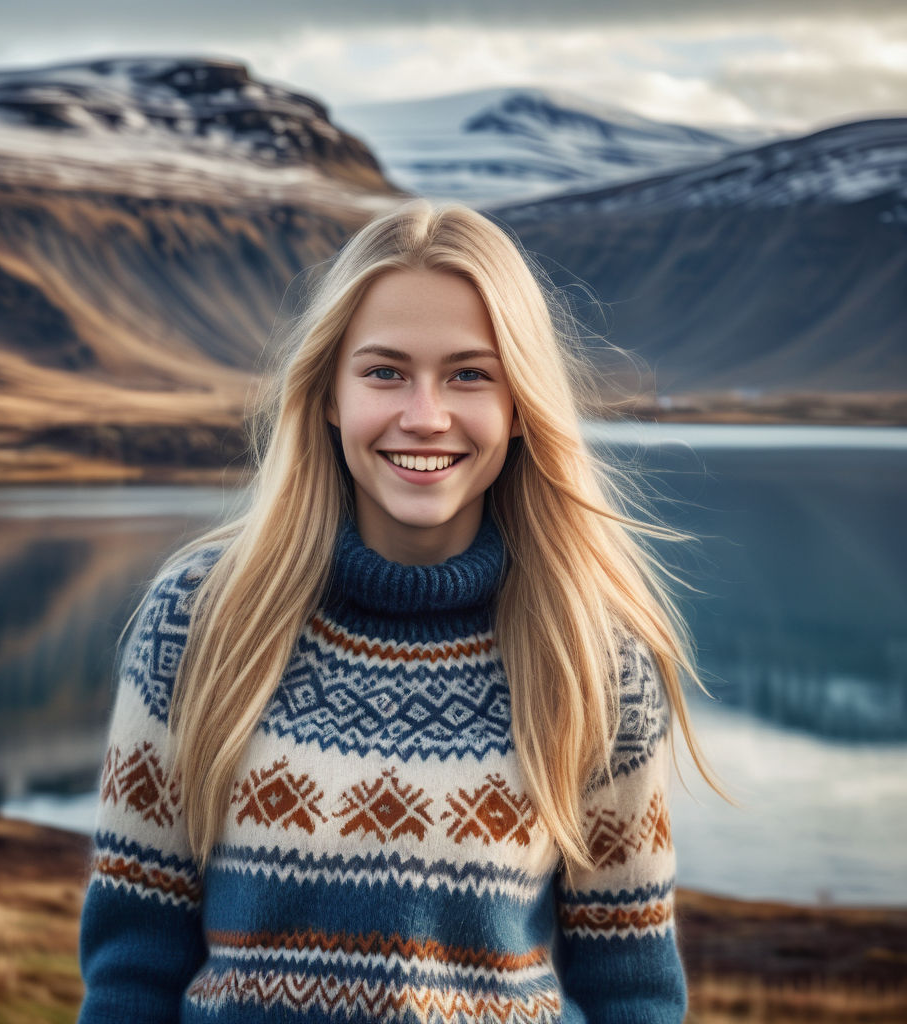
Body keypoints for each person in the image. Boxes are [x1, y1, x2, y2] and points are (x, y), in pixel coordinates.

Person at [77, 200, 719, 1023]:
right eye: (385, 372)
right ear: (331, 395)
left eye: (469, 374)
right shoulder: (198, 623)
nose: (426, 415)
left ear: (520, 404)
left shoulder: (595, 658)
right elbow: (132, 972)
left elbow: (632, 989)